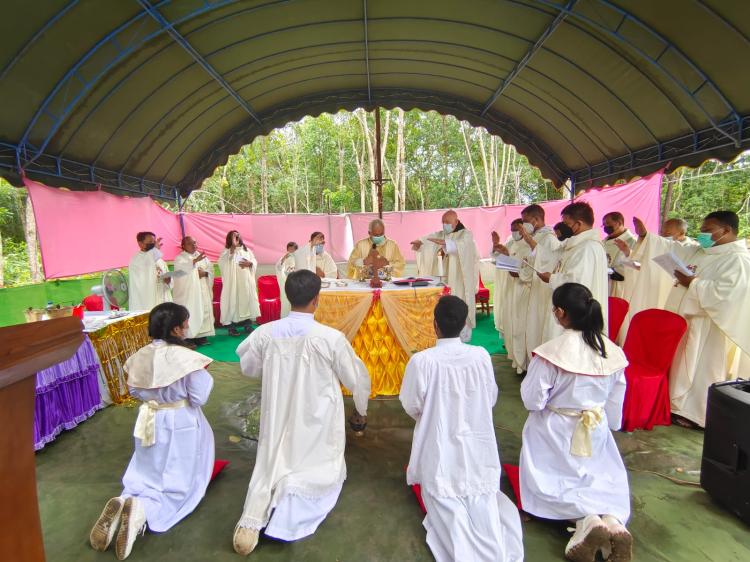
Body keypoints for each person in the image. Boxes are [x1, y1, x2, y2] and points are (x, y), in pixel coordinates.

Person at [232, 270, 371, 555]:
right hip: (316, 415)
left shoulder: (265, 332)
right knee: (315, 468)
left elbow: (248, 366)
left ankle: (253, 517)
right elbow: (355, 378)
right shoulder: (330, 338)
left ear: (288, 296)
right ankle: (286, 516)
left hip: (277, 411)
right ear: (317, 300)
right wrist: (361, 409)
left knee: (271, 464)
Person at [400, 295, 524, 562]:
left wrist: (434, 416)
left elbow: (411, 405)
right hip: (478, 444)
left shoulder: (422, 361)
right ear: (465, 325)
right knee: (483, 502)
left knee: (448, 505)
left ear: (435, 325)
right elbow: (490, 397)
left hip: (438, 443)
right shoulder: (480, 356)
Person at [89, 303, 214, 560]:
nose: (188, 327)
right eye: (186, 323)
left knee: (149, 466)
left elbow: (134, 391)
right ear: (177, 328)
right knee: (178, 478)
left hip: (149, 417)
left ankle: (127, 500)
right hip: (181, 421)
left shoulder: (138, 357)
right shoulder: (187, 359)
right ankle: (143, 512)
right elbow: (198, 397)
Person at [519, 283, 631, 562]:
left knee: (552, 479)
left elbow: (532, 401)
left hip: (555, 429)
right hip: (595, 427)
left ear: (559, 313)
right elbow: (617, 400)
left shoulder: (552, 353)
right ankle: (614, 522)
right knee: (602, 475)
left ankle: (587, 521)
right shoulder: (612, 351)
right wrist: (609, 425)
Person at [632, 211, 750, 428]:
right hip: (682, 320)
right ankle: (673, 404)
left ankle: (695, 414)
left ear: (726, 230)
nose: (702, 235)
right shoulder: (702, 250)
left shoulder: (738, 259)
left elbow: (728, 295)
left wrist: (693, 283)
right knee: (677, 364)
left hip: (706, 326)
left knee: (700, 369)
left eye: (707, 231)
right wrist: (646, 235)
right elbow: (673, 248)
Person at [613, 218, 696, 344]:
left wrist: (645, 235)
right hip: (651, 289)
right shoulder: (663, 245)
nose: (662, 236)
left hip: (669, 294)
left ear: (681, 233)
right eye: (661, 232)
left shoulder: (690, 249)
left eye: (667, 234)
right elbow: (645, 262)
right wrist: (628, 252)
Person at [538, 202, 609, 342]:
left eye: (567, 223)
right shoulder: (579, 245)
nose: (564, 227)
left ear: (579, 223)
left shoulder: (588, 248)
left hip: (576, 313)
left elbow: (577, 283)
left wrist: (551, 279)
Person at [411, 210, 480, 342]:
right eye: (443, 222)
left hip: (459, 281)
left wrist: (446, 244)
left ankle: (462, 340)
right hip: (445, 279)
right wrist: (420, 243)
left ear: (456, 222)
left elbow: (463, 247)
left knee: (458, 310)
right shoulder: (441, 234)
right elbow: (428, 240)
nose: (444, 225)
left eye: (447, 222)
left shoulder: (465, 235)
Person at [515, 204, 563, 367]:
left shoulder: (549, 239)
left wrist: (531, 243)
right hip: (528, 288)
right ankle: (529, 363)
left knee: (537, 328)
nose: (522, 225)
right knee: (528, 328)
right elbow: (527, 261)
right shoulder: (532, 237)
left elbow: (550, 264)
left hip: (541, 292)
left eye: (525, 221)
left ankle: (540, 366)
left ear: (536, 220)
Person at [492, 219, 533, 374]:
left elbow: (526, 270)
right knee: (511, 321)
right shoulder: (511, 243)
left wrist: (508, 259)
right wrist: (499, 249)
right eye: (512, 229)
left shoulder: (530, 247)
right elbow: (497, 258)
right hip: (511, 287)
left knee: (520, 325)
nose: (514, 232)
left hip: (523, 290)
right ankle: (515, 359)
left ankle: (524, 362)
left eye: (517, 229)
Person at [172, 236, 215, 346]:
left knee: (204, 310)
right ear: (183, 246)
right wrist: (195, 267)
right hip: (189, 293)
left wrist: (205, 273)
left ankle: (201, 337)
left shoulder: (202, 257)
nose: (193, 245)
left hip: (203, 289)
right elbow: (179, 274)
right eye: (190, 244)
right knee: (190, 312)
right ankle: (188, 338)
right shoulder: (180, 258)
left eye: (195, 243)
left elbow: (210, 269)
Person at [218, 230, 260, 337]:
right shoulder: (226, 251)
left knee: (247, 301)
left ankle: (247, 324)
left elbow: (254, 261)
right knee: (233, 302)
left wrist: (250, 263)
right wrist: (233, 247)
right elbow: (223, 263)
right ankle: (231, 327)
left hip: (246, 282)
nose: (236, 237)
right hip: (233, 284)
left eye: (237, 236)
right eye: (233, 236)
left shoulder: (247, 250)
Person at [128, 231, 172, 311]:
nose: (153, 244)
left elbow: (167, 276)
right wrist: (155, 251)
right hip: (147, 301)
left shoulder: (159, 260)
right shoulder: (136, 260)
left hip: (163, 298)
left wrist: (168, 280)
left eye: (154, 242)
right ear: (140, 243)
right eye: (150, 242)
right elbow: (147, 263)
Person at [602, 212, 637, 298]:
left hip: (618, 286)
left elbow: (637, 265)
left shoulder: (632, 242)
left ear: (619, 223)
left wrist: (628, 252)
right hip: (603, 282)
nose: (606, 227)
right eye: (604, 225)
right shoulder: (603, 242)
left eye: (608, 224)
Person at [275, 242, 298, 318]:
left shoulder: (299, 259)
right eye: (289, 249)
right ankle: (285, 318)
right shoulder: (283, 258)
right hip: (286, 283)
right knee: (286, 302)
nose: (291, 251)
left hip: (297, 284)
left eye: (293, 249)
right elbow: (278, 268)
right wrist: (284, 259)